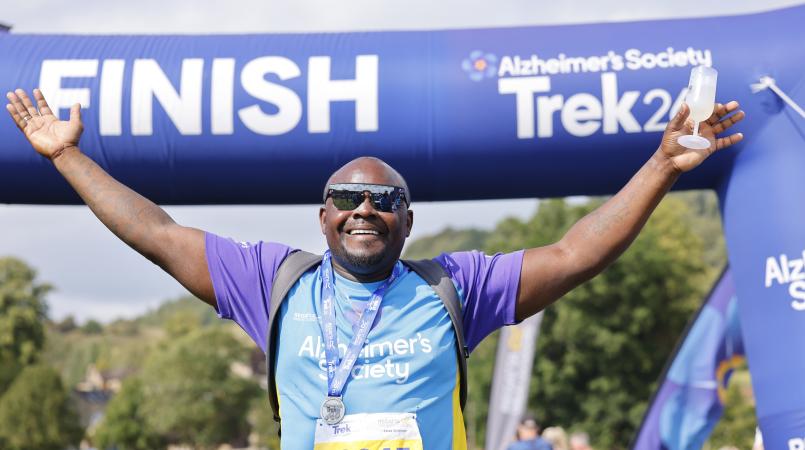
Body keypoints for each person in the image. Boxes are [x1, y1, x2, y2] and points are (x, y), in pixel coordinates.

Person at [5, 88, 744, 449]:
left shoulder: (454, 285)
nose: (364, 209)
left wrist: (658, 164)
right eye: (346, 199)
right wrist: (66, 155)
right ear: (322, 217)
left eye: (382, 199)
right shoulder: (274, 281)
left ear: (406, 219)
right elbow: (159, 234)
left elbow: (574, 252)